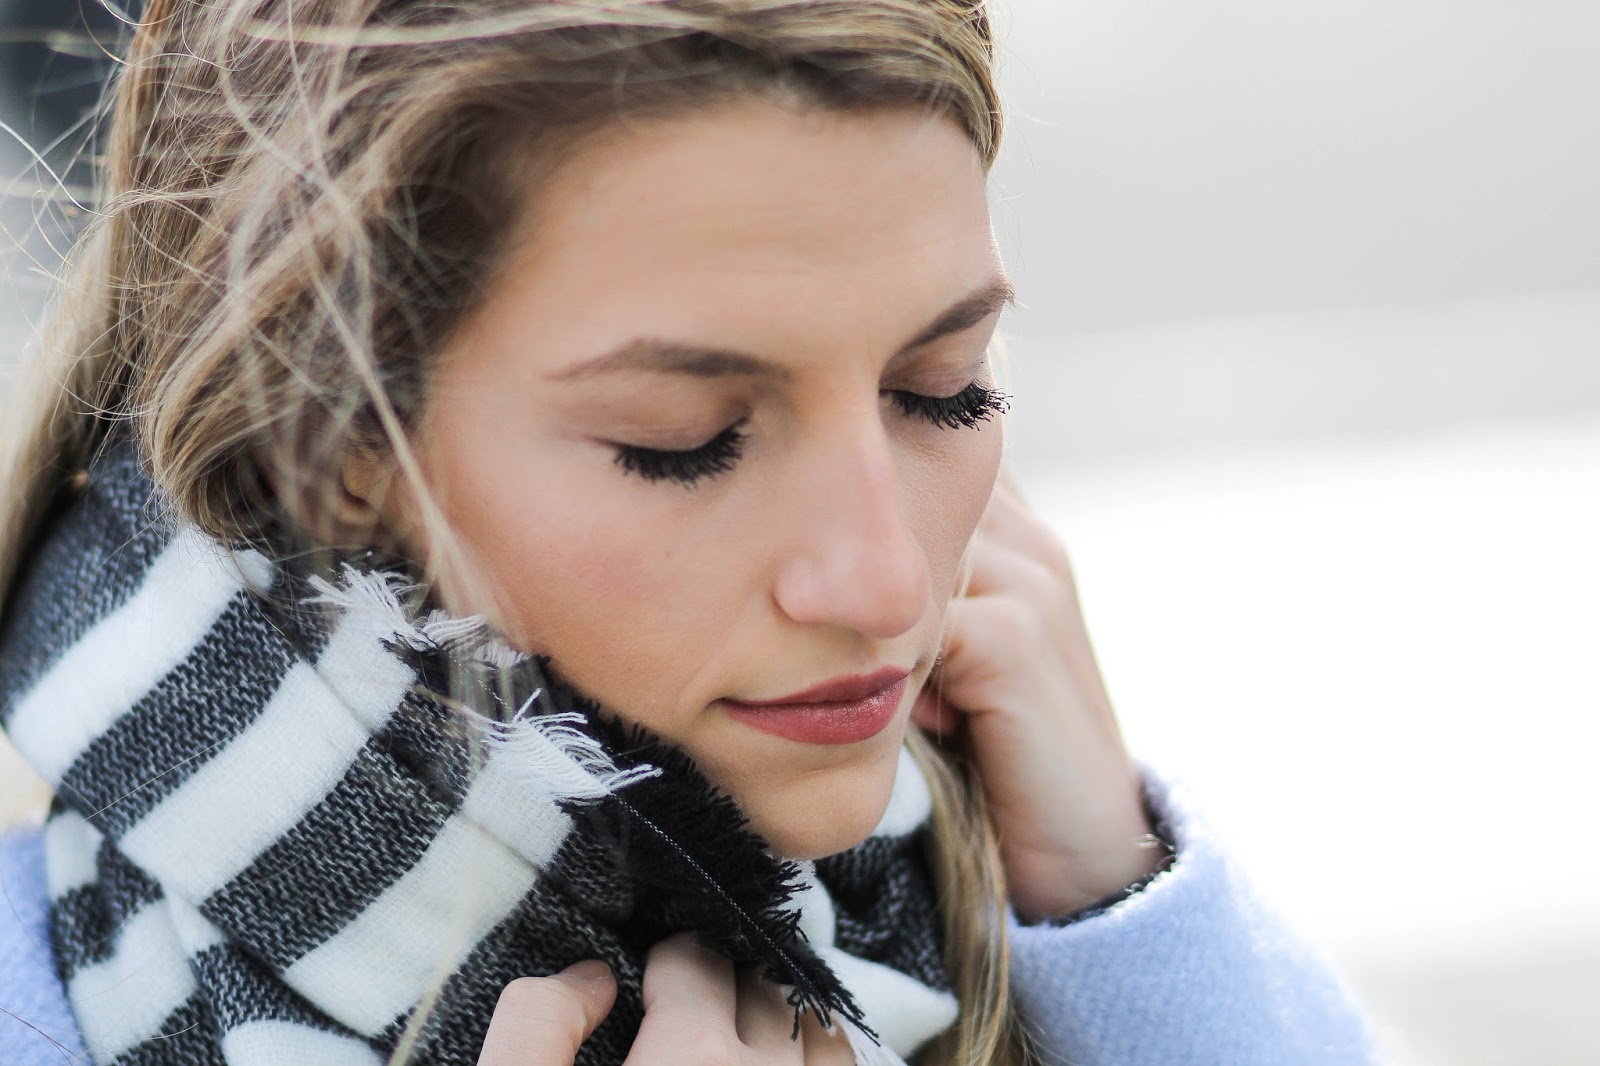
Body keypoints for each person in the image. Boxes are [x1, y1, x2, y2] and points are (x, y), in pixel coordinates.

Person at [0, 2, 1379, 1064]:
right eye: (685, 439)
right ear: (329, 447)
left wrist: (1114, 908)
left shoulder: (1037, 884)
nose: (888, 580)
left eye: (944, 390)